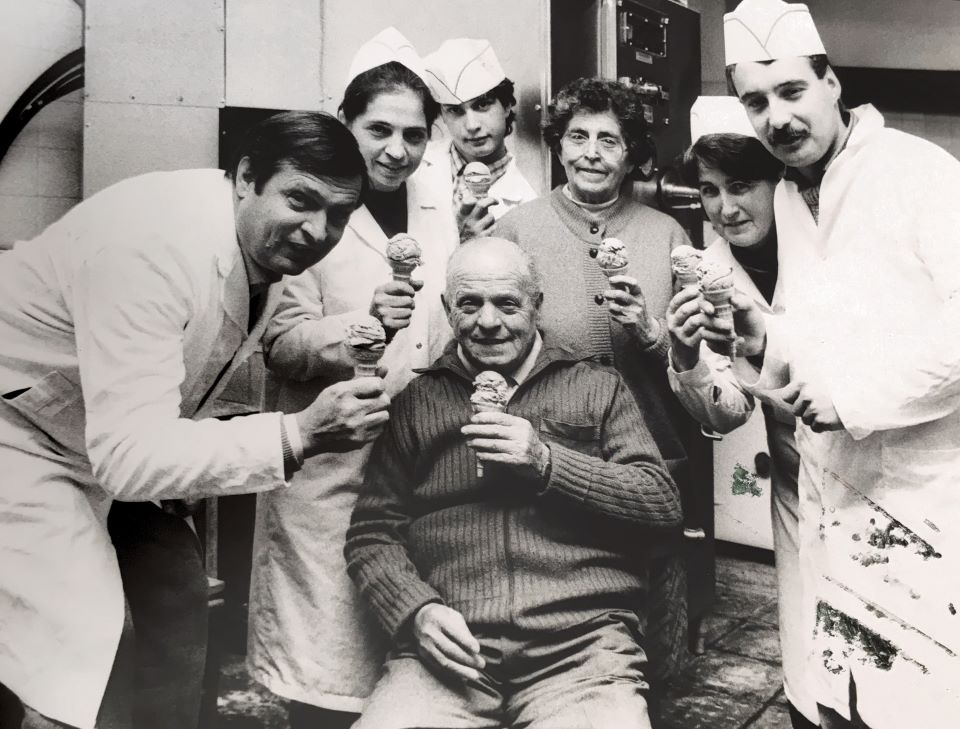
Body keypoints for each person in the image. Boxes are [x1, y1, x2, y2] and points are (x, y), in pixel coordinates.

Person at [0, 110, 390, 729]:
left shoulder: (260, 251)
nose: (319, 230)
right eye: (300, 199)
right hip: (18, 438)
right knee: (80, 641)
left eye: (338, 213)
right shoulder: (148, 245)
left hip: (91, 441)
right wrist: (300, 433)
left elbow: (184, 369)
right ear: (244, 178)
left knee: (178, 594)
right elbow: (129, 457)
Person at [716, 1, 960, 727]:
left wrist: (851, 394)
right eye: (755, 101)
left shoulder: (921, 173)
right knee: (837, 700)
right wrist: (763, 339)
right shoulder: (791, 194)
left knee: (918, 699)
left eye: (792, 92)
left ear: (831, 82)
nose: (776, 117)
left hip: (920, 492)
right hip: (827, 490)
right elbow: (811, 329)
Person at [344, 237, 681, 729]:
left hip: (581, 649)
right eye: (469, 304)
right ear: (446, 308)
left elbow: (660, 500)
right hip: (451, 651)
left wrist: (547, 463)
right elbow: (372, 531)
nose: (487, 322)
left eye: (507, 303)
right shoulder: (419, 399)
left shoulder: (595, 385)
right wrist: (415, 611)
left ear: (537, 305)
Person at [245, 28, 457, 729]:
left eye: (415, 133)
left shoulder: (438, 197)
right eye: (379, 130)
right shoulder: (314, 204)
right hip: (332, 465)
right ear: (347, 123)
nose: (398, 149)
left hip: (422, 456)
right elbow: (283, 345)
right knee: (328, 669)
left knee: (407, 672)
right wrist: (366, 326)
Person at [494, 76, 696, 680]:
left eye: (610, 140)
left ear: (632, 153)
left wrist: (651, 330)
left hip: (651, 452)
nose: (590, 152)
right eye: (577, 136)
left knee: (653, 617)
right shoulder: (517, 230)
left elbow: (698, 359)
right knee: (562, 610)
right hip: (550, 449)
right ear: (556, 145)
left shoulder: (666, 235)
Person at [665, 96, 820, 729]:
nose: (725, 208)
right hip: (794, 480)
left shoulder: (831, 248)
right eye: (708, 190)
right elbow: (724, 414)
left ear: (779, 180)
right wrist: (684, 355)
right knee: (811, 658)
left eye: (741, 185)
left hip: (878, 462)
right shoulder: (707, 273)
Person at [423, 37, 537, 242]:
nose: (472, 125)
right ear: (442, 116)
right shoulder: (415, 169)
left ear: (507, 105)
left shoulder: (533, 193)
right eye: (455, 111)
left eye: (482, 105)